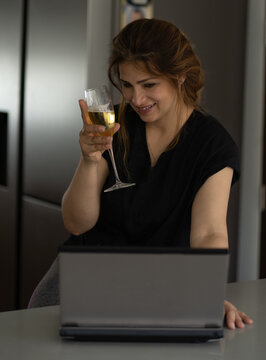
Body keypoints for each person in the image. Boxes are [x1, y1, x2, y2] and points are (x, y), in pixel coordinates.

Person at [61, 18, 253, 330]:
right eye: (127, 85)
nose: (136, 99)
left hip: (163, 292)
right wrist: (88, 161)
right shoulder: (115, 125)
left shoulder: (213, 145)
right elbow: (77, 223)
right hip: (87, 286)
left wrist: (208, 293)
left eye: (149, 85)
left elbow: (208, 234)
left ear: (179, 77)